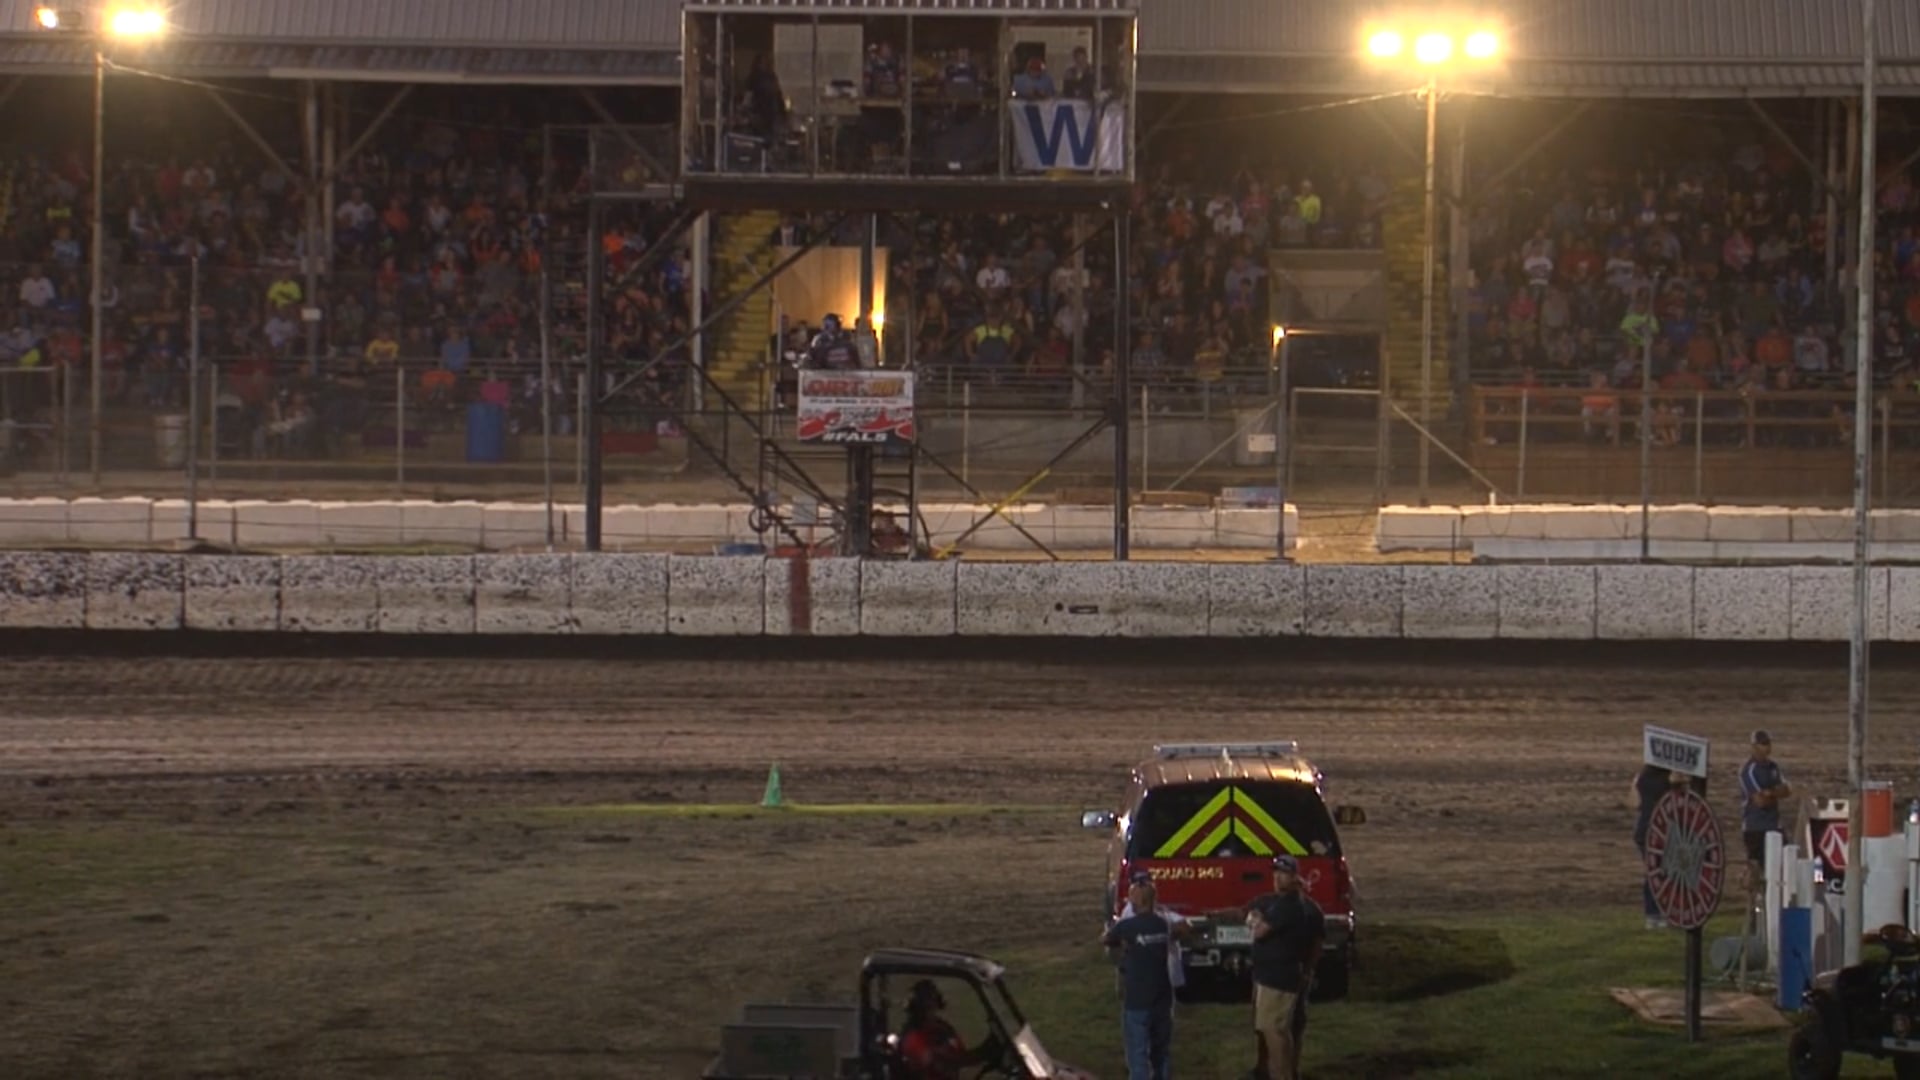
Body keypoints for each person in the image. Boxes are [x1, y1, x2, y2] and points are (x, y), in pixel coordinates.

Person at [1241, 854, 1324, 1080]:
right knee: (1269, 1028)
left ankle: (1283, 1074)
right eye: (1276, 873)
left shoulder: (1290, 905)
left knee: (1276, 1030)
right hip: (1269, 975)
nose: (1277, 878)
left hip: (1279, 978)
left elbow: (1260, 931)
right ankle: (1268, 1070)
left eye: (1284, 874)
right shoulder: (1278, 903)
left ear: (1295, 877)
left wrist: (1254, 921)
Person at [1103, 871, 1191, 1080]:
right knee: (1161, 1053)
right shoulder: (1162, 923)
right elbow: (1180, 928)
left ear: (1135, 900)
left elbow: (1107, 939)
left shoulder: (1127, 926)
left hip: (1137, 999)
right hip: (1162, 997)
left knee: (1138, 1056)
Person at [898, 979, 999, 1080]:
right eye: (924, 1006)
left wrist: (987, 1047)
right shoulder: (912, 1037)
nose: (929, 1009)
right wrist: (984, 1052)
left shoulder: (942, 1028)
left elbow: (960, 1055)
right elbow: (944, 1063)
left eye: (931, 1004)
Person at [1629, 765, 1690, 929]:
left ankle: (1654, 914)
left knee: (1653, 872)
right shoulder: (1669, 778)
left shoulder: (1642, 777)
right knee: (1663, 872)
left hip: (1645, 828)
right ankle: (1661, 913)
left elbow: (1634, 803)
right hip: (1659, 829)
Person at [1740, 729, 1792, 891]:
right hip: (1755, 827)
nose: (1767, 747)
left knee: (1784, 864)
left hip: (1774, 825)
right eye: (1763, 744)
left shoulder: (1773, 767)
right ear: (1754, 747)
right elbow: (1759, 801)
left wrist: (1770, 793)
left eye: (1768, 743)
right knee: (1756, 870)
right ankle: (1754, 898)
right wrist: (1774, 793)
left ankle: (1779, 897)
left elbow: (1787, 790)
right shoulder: (1749, 770)